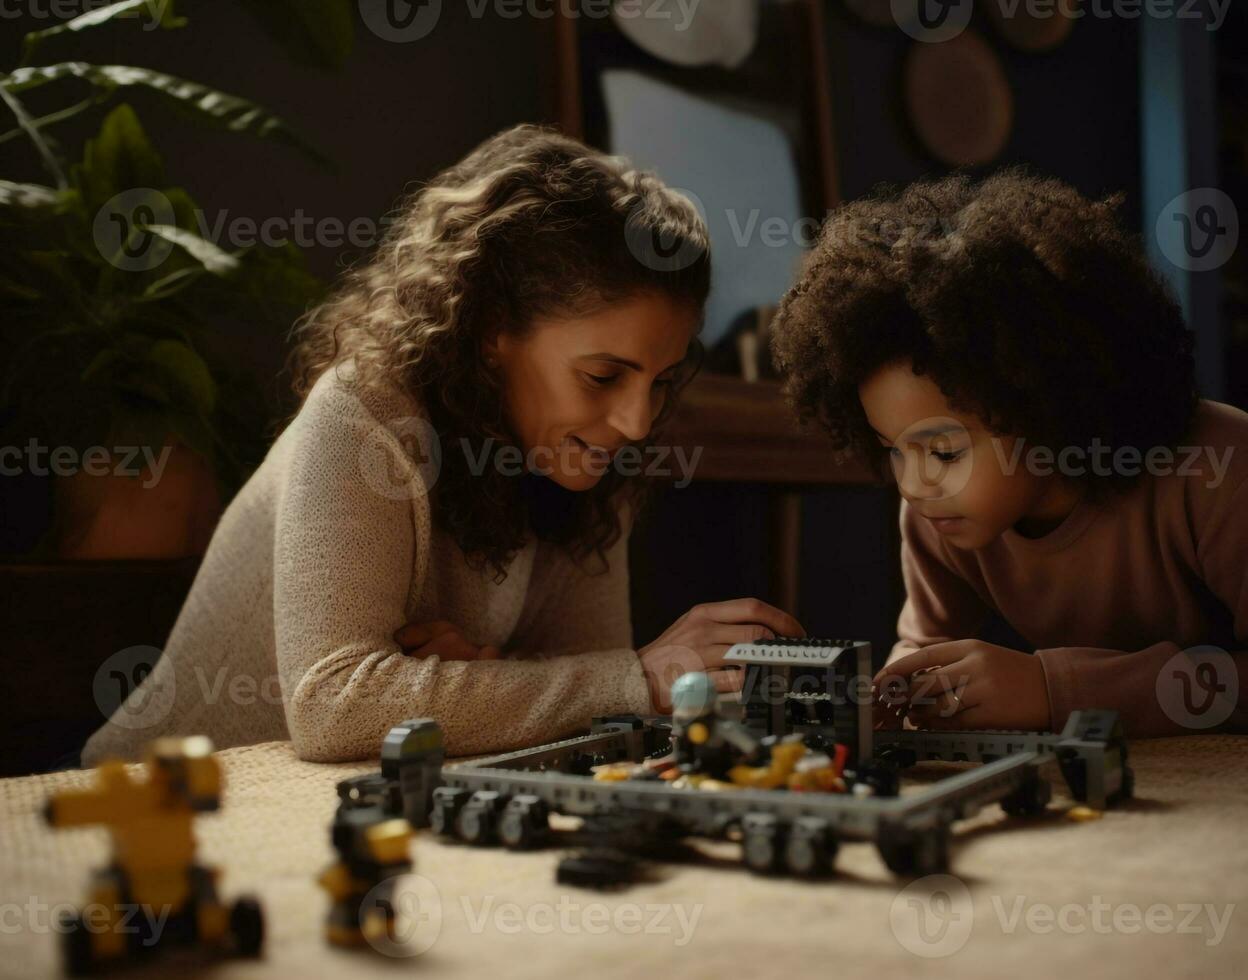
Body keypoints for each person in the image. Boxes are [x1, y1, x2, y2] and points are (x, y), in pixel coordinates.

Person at [82, 125, 801, 766]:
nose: (638, 423)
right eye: (603, 375)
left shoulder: (591, 451)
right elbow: (333, 706)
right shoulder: (363, 410)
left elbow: (584, 700)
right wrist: (635, 676)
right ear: (492, 330)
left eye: (661, 381)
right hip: (154, 804)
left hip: (343, 815)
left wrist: (486, 676)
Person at [769, 170, 1248, 741]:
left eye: (942, 450)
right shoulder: (937, 515)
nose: (913, 485)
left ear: (1044, 401)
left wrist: (1053, 687)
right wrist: (895, 699)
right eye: (891, 451)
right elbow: (924, 646)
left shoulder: (1223, 464)